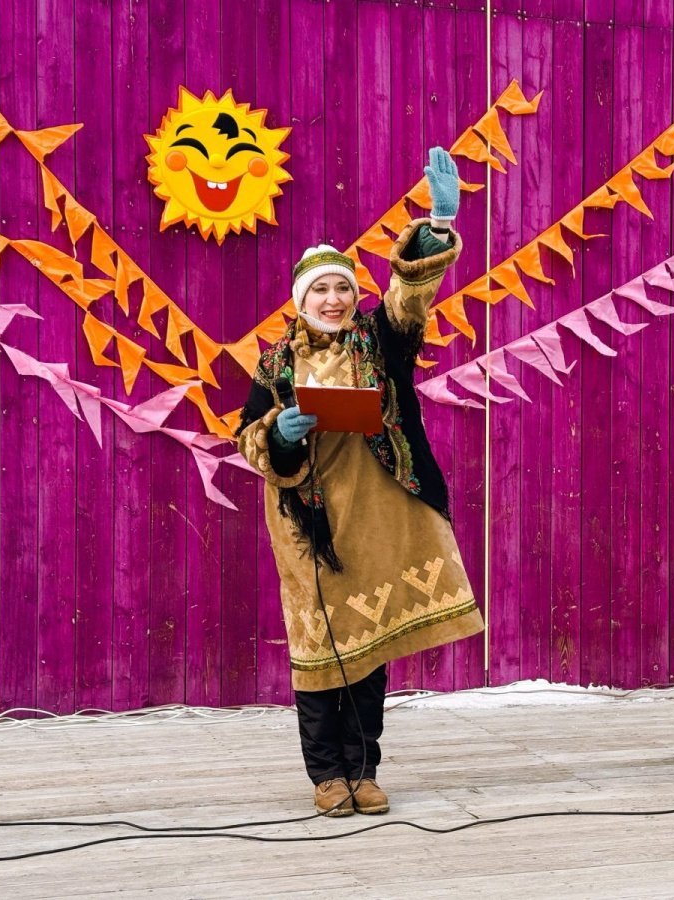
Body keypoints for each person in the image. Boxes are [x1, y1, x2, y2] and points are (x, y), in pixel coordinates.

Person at [236, 148, 484, 816]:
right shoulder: (274, 363)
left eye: (342, 288)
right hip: (309, 524)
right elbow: (247, 437)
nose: (334, 299)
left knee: (370, 647)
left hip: (377, 515)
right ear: (301, 300)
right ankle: (327, 775)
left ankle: (364, 767)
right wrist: (279, 435)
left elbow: (409, 297)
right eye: (320, 289)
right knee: (319, 646)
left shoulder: (381, 338)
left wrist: (437, 226)